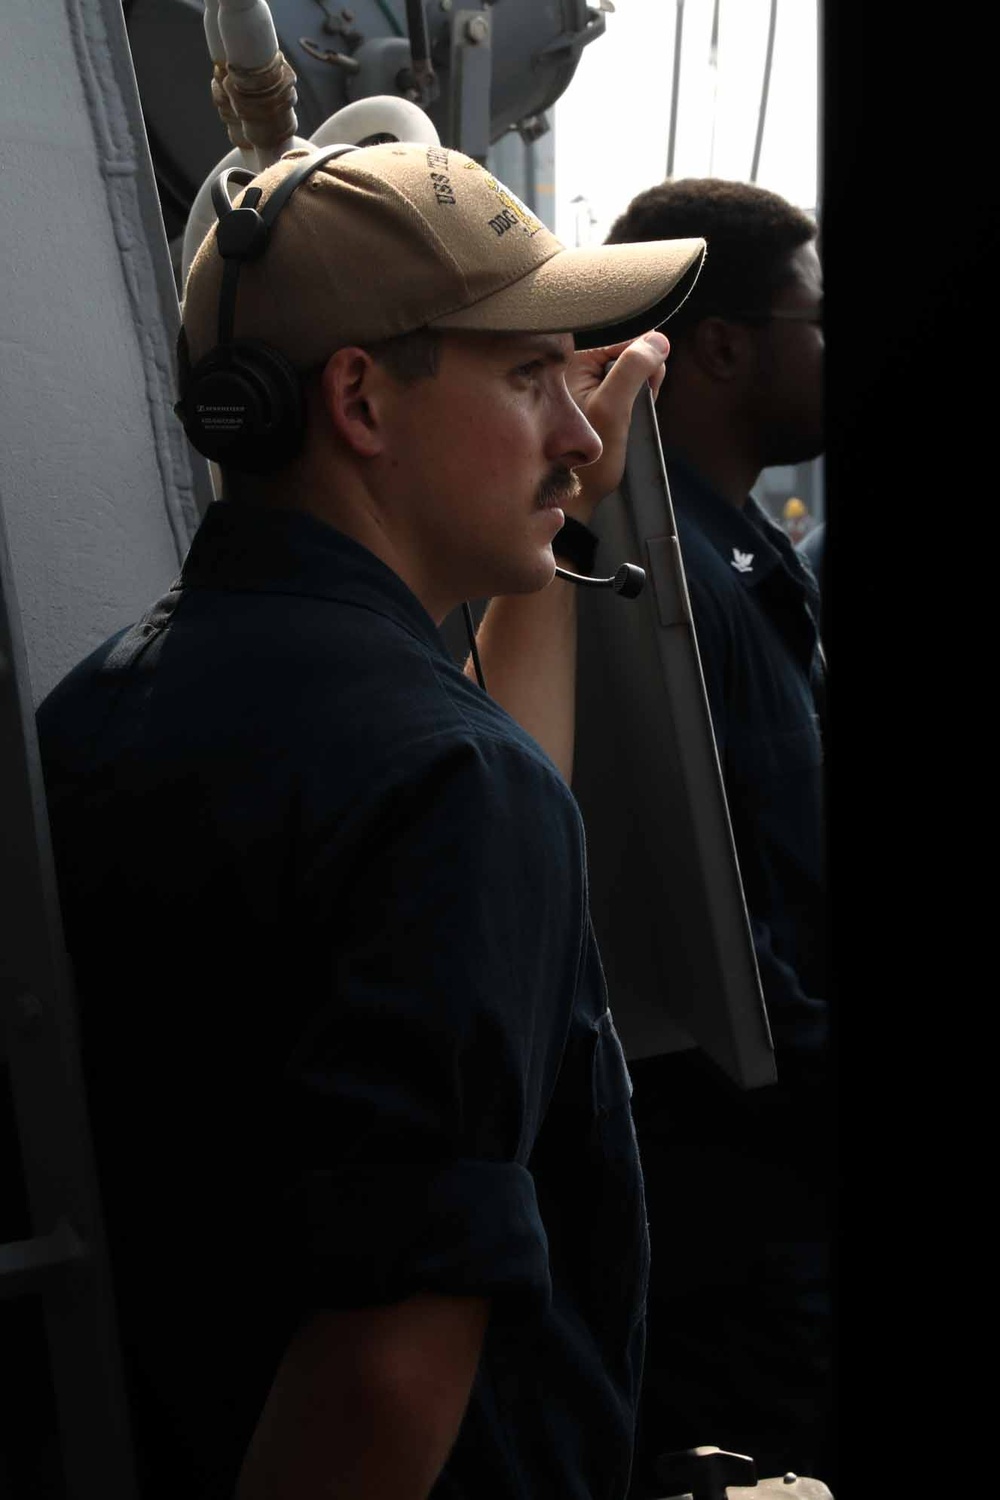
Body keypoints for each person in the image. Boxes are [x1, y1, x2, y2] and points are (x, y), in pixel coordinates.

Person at [35, 141, 705, 1500]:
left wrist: (554, 518)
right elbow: (384, 1376)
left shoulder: (89, 713)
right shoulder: (448, 784)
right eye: (530, 379)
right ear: (359, 398)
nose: (582, 435)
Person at [603, 179, 832, 1492]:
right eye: (818, 317)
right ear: (730, 346)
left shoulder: (731, 551)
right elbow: (730, 917)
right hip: (746, 1218)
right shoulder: (673, 579)